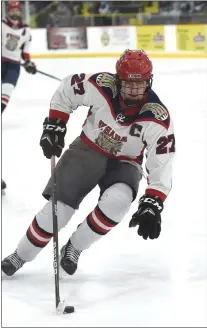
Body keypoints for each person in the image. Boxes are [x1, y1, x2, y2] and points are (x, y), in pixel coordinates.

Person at [2, 49, 175, 277]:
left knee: (118, 202)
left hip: (126, 161)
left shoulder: (157, 117)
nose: (134, 90)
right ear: (117, 79)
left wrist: (153, 201)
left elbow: (162, 162)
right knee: (59, 211)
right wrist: (55, 124)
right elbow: (66, 90)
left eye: (140, 84)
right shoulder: (101, 85)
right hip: (88, 150)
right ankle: (21, 255)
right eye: (128, 84)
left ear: (149, 81)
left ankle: (74, 247)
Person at [1, 1, 37, 190]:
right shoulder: (1, 24)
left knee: (4, 98)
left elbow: (25, 53)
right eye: (12, 9)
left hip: (13, 67)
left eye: (17, 9)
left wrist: (29, 64)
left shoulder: (26, 31)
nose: (15, 11)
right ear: (8, 11)